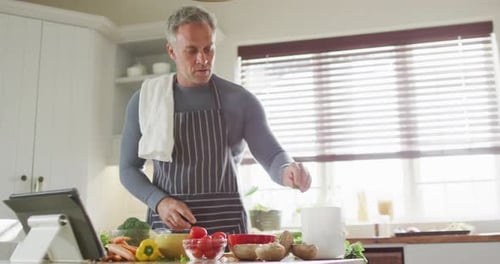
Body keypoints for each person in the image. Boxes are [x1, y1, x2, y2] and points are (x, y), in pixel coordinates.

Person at [119, 5, 311, 234]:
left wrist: (288, 170)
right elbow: (129, 168)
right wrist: (159, 201)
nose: (203, 59)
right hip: (170, 231)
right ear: (171, 51)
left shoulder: (241, 100)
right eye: (191, 50)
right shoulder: (145, 101)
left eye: (209, 49)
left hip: (228, 231)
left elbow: (272, 156)